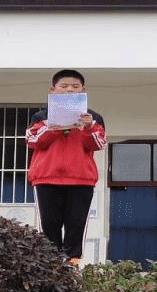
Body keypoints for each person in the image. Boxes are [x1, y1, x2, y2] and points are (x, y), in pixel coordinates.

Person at [26, 69, 107, 266]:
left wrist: (88, 127)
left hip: (81, 180)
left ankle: (72, 268)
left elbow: (99, 144)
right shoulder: (41, 116)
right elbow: (32, 141)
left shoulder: (93, 118)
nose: (69, 89)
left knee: (76, 227)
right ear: (53, 90)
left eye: (75, 86)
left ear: (83, 90)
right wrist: (53, 127)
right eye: (64, 86)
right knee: (49, 226)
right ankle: (50, 267)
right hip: (46, 178)